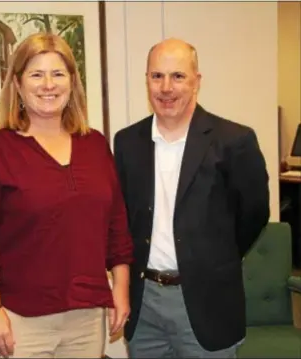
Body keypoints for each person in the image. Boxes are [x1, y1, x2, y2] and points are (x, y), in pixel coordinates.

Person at [0, 32, 133, 358]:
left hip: (86, 318)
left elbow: (117, 226)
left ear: (72, 83)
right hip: (16, 319)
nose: (48, 85)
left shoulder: (94, 145)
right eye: (36, 74)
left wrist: (121, 290)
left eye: (58, 74)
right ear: (18, 85)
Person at [113, 38, 270, 358]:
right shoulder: (127, 142)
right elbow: (125, 218)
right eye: (157, 76)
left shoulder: (234, 140)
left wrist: (213, 258)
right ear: (147, 80)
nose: (166, 87)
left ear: (197, 81)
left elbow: (254, 214)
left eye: (178, 76)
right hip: (146, 306)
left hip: (207, 302)